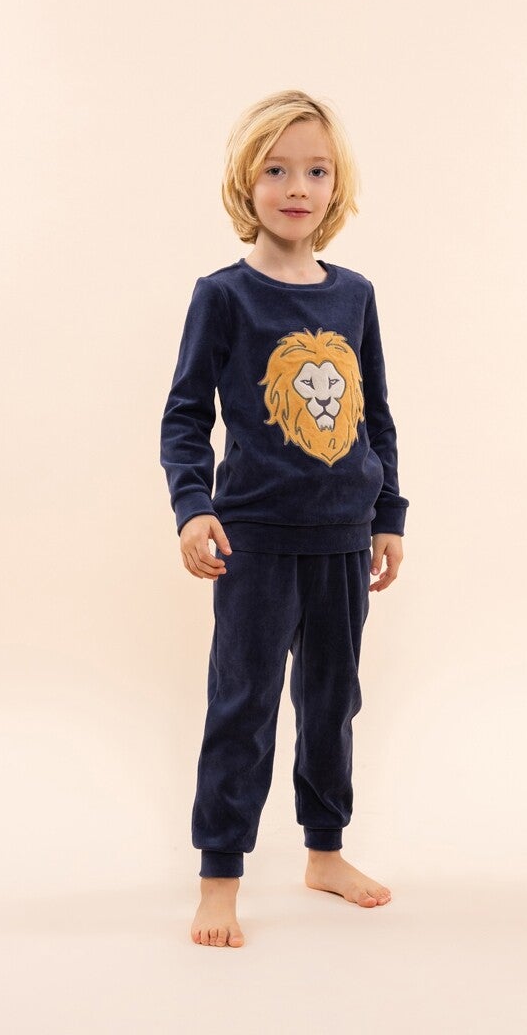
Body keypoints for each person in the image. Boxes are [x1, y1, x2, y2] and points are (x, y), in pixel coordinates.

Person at [159, 89, 409, 948]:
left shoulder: (356, 296)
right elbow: (185, 415)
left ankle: (324, 852)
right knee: (244, 706)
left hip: (344, 540)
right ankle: (219, 877)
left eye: (316, 170)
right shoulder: (224, 296)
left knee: (333, 704)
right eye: (275, 169)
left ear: (337, 186)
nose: (297, 187)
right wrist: (193, 508)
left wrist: (388, 514)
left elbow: (375, 415)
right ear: (246, 182)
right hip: (256, 543)